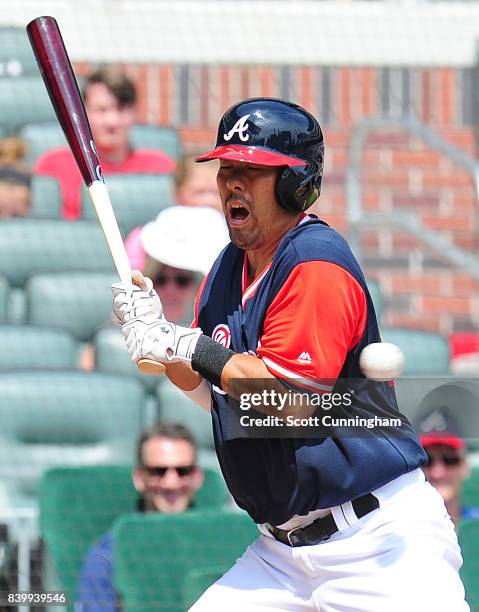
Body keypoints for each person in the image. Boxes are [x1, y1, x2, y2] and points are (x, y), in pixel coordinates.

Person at [111, 98, 468, 610]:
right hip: (280, 556)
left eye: (251, 170)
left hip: (376, 543)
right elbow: (211, 392)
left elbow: (285, 402)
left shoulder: (315, 262)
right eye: (227, 167)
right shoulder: (226, 269)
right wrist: (153, 332)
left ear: (294, 183)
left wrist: (186, 344)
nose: (232, 181)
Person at [76, 422, 203, 611]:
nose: (171, 483)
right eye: (158, 472)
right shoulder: (108, 556)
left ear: (197, 477)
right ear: (139, 478)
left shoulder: (224, 545)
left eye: (182, 471)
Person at [33, 66, 175, 220]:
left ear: (135, 112)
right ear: (82, 113)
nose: (112, 121)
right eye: (101, 110)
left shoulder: (161, 168)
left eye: (121, 110)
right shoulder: (53, 165)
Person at [124, 152, 222, 271]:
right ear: (177, 192)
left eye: (217, 193)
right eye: (199, 192)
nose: (210, 201)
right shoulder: (144, 238)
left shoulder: (239, 239)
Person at [416, 405, 479, 526]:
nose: (438, 472)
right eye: (427, 460)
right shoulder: (393, 532)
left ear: (465, 466)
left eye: (450, 460)